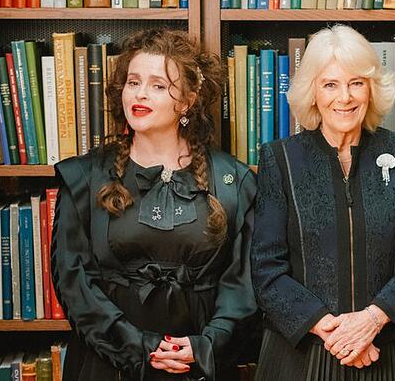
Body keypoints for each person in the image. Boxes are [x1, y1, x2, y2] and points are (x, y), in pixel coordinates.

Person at [50, 28, 258, 380]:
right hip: (109, 364)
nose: (140, 94)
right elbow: (74, 281)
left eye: (158, 85)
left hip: (200, 367)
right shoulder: (84, 177)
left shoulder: (233, 181)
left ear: (188, 101)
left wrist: (206, 346)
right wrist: (137, 348)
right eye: (133, 82)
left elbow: (244, 284)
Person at [250, 24, 395, 380]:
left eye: (356, 83)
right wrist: (335, 333)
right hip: (303, 355)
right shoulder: (280, 159)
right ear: (313, 92)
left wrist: (371, 321)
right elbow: (266, 269)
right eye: (330, 85)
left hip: (388, 349)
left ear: (371, 89)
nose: (345, 97)